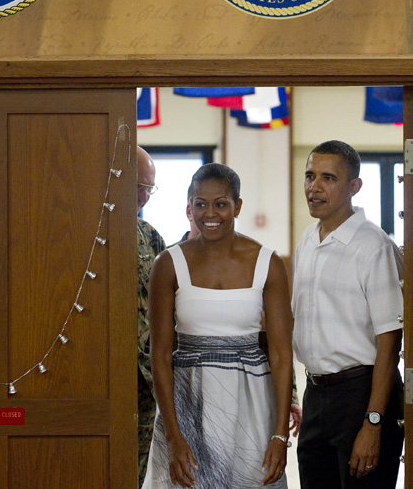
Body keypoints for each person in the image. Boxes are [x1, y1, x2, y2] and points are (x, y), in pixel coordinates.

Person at [144, 163, 293, 488]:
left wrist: (280, 434)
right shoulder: (167, 264)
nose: (210, 213)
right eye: (201, 204)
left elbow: (281, 354)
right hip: (187, 404)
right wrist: (173, 436)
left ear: (237, 206)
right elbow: (160, 355)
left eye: (220, 204)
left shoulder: (267, 263)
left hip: (250, 405)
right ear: (189, 207)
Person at [292, 140, 404, 488]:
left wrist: (373, 422)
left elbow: (390, 339)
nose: (314, 187)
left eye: (328, 178)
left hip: (363, 394)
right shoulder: (308, 239)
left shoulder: (374, 247)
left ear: (354, 186)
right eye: (310, 176)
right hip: (316, 393)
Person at [137, 146, 166, 486]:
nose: (144, 196)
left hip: (144, 380)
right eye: (137, 187)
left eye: (149, 188)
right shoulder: (88, 234)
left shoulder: (150, 237)